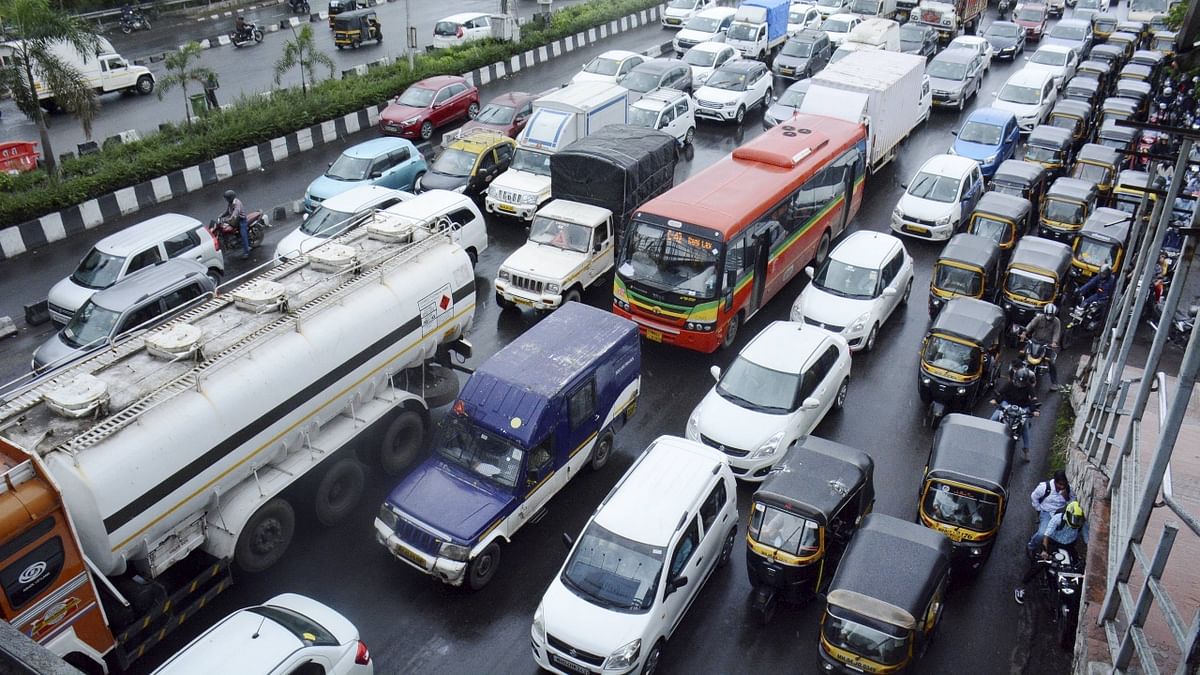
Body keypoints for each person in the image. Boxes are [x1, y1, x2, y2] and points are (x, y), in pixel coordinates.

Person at [1014, 501, 1085, 604]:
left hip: (1069, 546)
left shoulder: (1081, 523)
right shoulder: (1058, 519)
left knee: (1077, 568)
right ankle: (1022, 587)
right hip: (1053, 543)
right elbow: (1046, 536)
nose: (1076, 522)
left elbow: (1088, 539)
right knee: (1040, 564)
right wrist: (1044, 551)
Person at [990, 366, 1040, 460]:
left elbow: (1033, 399)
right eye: (1018, 381)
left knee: (1025, 427)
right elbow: (1000, 393)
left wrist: (1035, 410)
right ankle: (987, 437)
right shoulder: (1009, 384)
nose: (1020, 384)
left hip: (1022, 408)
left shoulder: (1029, 387)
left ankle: (1026, 450)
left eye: (1022, 383)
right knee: (993, 418)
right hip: (1008, 404)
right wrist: (995, 400)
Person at [1023, 303, 1061, 386]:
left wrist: (1054, 342)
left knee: (1051, 362)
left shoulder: (1056, 322)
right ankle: (1015, 370)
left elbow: (1056, 333)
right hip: (1034, 341)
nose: (1049, 316)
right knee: (1022, 353)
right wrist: (1024, 332)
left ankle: (1054, 383)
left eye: (1051, 314)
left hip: (1046, 344)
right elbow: (1031, 325)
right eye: (1047, 314)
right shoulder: (1039, 318)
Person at [221, 189, 251, 259]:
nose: (226, 200)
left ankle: (246, 252)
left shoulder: (237, 203)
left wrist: (230, 218)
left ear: (230, 198)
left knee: (244, 236)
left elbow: (236, 212)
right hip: (234, 220)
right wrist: (222, 215)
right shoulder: (230, 203)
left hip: (241, 220)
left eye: (227, 198)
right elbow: (227, 211)